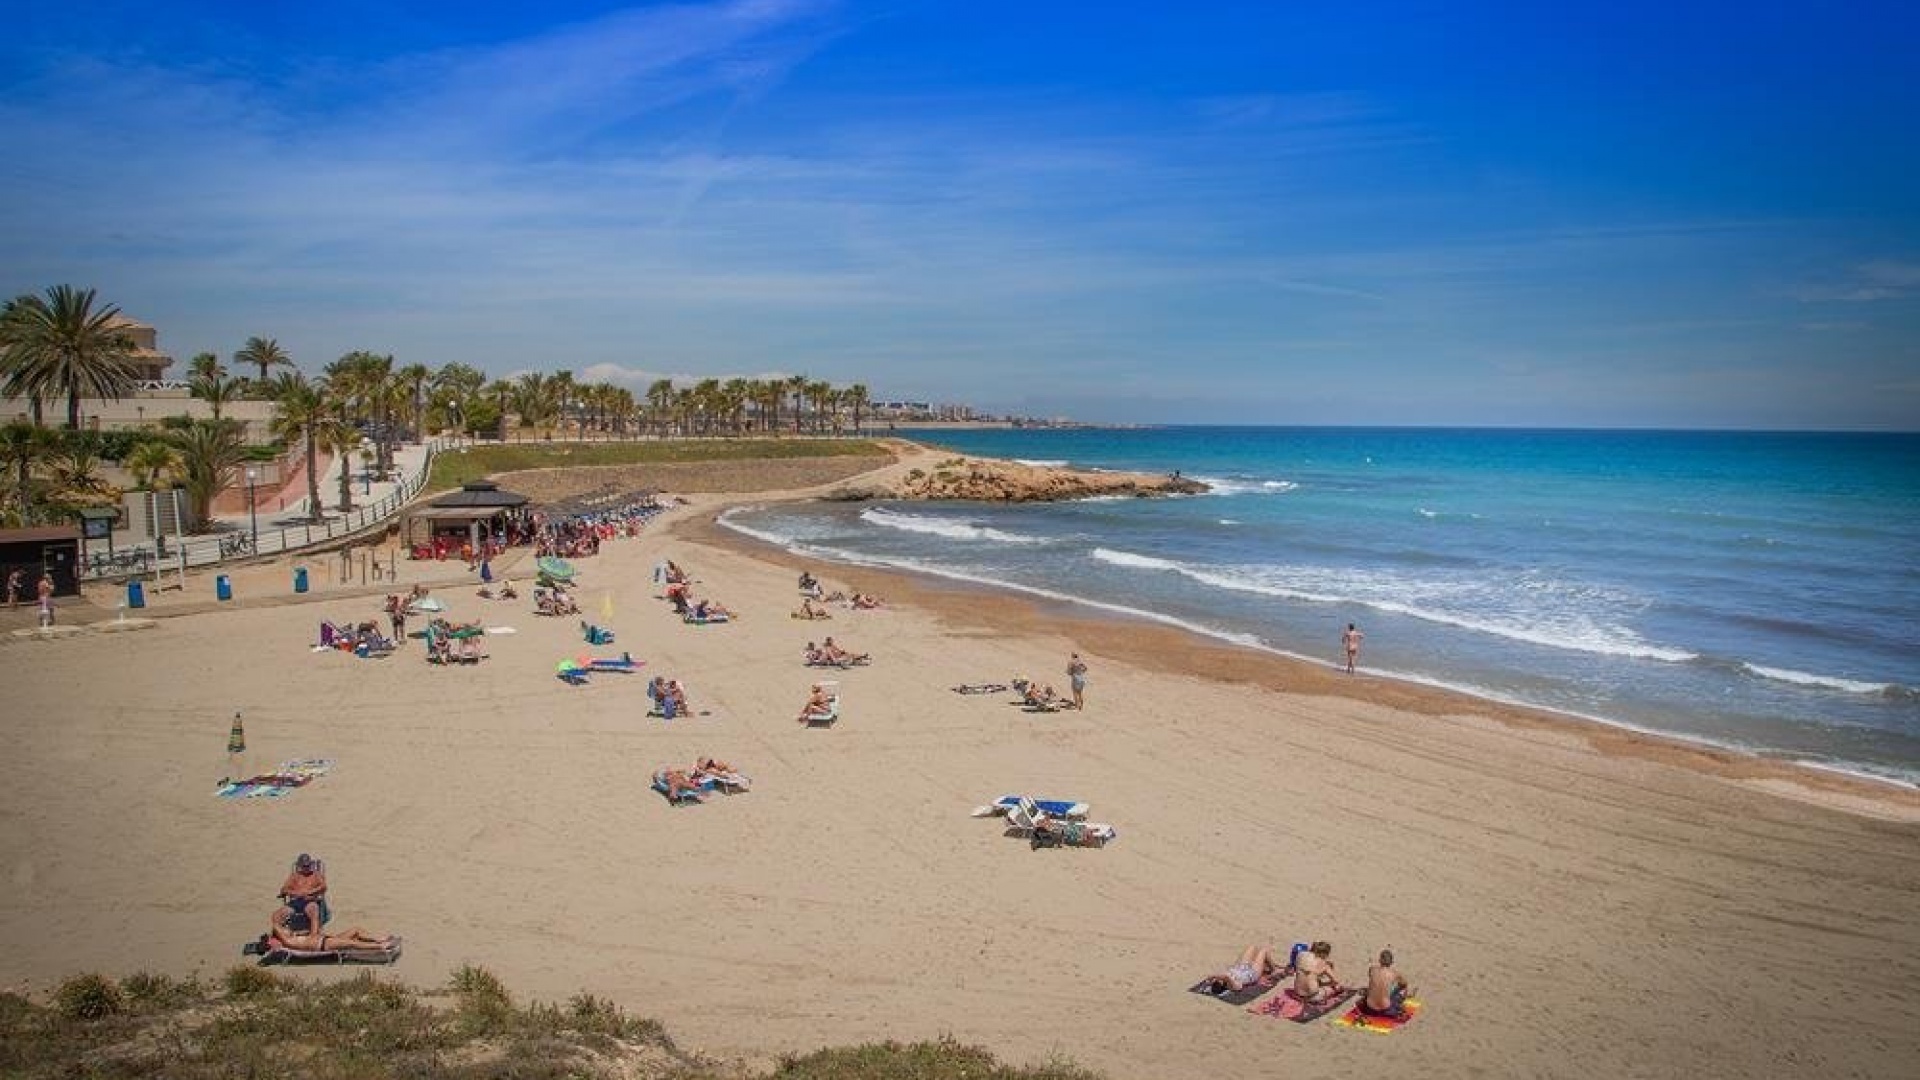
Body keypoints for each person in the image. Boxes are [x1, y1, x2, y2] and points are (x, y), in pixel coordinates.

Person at [268, 904, 392, 952]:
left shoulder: (293, 936)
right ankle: (379, 946)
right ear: (280, 936)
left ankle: (377, 938)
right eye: (284, 928)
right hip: (323, 944)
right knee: (353, 943)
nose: (287, 927)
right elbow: (275, 922)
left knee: (356, 929)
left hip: (327, 939)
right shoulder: (288, 940)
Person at [1205, 943, 1286, 994]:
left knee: (1252, 947)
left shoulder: (1224, 980)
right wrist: (1213, 976)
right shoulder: (1234, 987)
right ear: (1222, 985)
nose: (1218, 979)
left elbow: (1222, 977)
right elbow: (1226, 977)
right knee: (1264, 951)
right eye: (1218, 980)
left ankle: (1268, 964)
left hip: (1241, 966)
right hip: (1253, 973)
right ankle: (1274, 969)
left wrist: (1211, 980)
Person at [278, 854, 330, 928]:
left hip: (309, 901)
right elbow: (284, 889)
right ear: (300, 866)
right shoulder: (294, 876)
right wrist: (296, 893)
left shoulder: (316, 875)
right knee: (278, 915)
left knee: (313, 912)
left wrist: (310, 892)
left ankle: (314, 935)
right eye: (304, 866)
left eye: (308, 865)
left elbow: (323, 886)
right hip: (295, 902)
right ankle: (279, 936)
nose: (306, 868)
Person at [1361, 948, 1413, 1018]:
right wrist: (1398, 990)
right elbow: (1404, 984)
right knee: (1397, 998)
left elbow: (1372, 980)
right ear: (1391, 962)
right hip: (1385, 1009)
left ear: (1379, 960)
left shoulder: (1372, 969)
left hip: (1370, 1008)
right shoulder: (1394, 974)